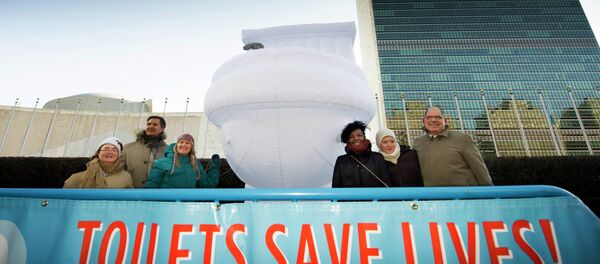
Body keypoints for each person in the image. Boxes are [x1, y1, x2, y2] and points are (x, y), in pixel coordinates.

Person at [413, 107, 493, 186]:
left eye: (438, 117)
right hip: (431, 196)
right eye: (429, 117)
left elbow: (479, 169)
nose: (433, 120)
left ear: (445, 121)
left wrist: (489, 192)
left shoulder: (462, 139)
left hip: (464, 195)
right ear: (423, 121)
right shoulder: (418, 143)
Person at [145, 134, 221, 188]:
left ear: (191, 147)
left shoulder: (196, 164)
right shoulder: (161, 163)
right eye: (181, 142)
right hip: (166, 206)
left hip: (188, 207)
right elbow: (151, 186)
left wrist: (215, 167)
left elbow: (207, 185)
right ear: (176, 146)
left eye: (187, 143)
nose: (184, 145)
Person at [332, 121, 391, 187]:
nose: (356, 138)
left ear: (364, 137)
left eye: (359, 135)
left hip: (374, 197)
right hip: (350, 197)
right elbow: (336, 187)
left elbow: (386, 185)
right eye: (352, 137)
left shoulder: (378, 158)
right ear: (348, 140)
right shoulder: (341, 161)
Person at [64, 137, 133, 188]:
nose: (109, 152)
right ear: (98, 153)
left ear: (119, 155)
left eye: (114, 150)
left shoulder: (126, 177)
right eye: (106, 149)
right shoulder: (80, 175)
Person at [122, 116, 168, 188]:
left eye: (155, 124)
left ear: (162, 129)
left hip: (157, 194)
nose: (150, 126)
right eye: (149, 124)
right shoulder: (128, 148)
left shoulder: (168, 151)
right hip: (131, 193)